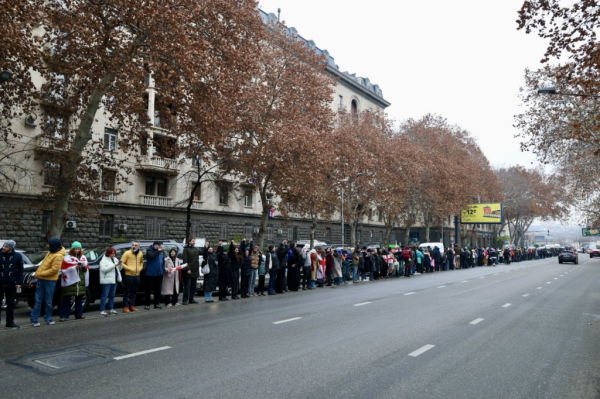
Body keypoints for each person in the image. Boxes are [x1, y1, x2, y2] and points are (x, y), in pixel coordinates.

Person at [31, 238, 65, 327]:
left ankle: (48, 318)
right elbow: (43, 265)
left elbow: (54, 270)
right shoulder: (50, 252)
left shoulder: (58, 256)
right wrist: (39, 273)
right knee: (38, 300)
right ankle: (34, 319)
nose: (47, 245)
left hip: (50, 281)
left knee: (48, 300)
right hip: (41, 279)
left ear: (53, 245)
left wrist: (40, 273)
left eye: (48, 244)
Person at [59, 242, 89, 322]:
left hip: (80, 282)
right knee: (67, 299)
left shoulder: (83, 257)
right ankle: (64, 315)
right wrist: (74, 267)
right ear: (72, 249)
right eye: (75, 249)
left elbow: (85, 270)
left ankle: (78, 314)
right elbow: (64, 269)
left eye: (78, 249)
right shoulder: (67, 258)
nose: (77, 250)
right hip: (70, 282)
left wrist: (82, 266)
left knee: (79, 299)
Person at [0, 240, 23, 328]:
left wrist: (19, 282)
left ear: (11, 248)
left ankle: (10, 322)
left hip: (11, 282)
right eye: (3, 246)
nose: (3, 247)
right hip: (0, 281)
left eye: (6, 246)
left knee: (10, 303)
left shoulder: (17, 256)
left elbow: (20, 270)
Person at [121, 241, 143, 313]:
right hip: (128, 275)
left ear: (138, 246)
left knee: (134, 291)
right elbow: (121, 263)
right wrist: (129, 269)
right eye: (133, 245)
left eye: (135, 245)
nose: (134, 246)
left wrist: (140, 269)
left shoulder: (140, 253)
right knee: (127, 291)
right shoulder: (127, 253)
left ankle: (131, 305)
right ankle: (125, 306)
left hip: (137, 275)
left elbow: (141, 263)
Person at [99, 247, 121, 317]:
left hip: (114, 279)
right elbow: (104, 269)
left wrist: (120, 264)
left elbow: (119, 269)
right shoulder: (103, 260)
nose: (113, 255)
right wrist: (114, 265)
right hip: (106, 280)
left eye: (114, 254)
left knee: (112, 295)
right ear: (108, 253)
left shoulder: (115, 259)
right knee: (104, 295)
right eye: (112, 254)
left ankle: (111, 309)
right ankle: (102, 310)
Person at [144, 241, 164, 310]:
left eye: (160, 245)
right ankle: (147, 305)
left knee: (157, 290)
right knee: (148, 290)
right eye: (159, 245)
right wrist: (158, 251)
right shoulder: (149, 250)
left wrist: (162, 269)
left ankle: (156, 304)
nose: (160, 246)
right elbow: (151, 256)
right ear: (155, 245)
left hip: (158, 273)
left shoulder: (161, 251)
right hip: (150, 273)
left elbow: (162, 261)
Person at [182, 238, 200, 305]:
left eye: (194, 241)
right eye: (193, 241)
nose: (194, 242)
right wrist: (188, 269)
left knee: (193, 286)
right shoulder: (186, 249)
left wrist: (206, 247)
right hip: (188, 271)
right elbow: (185, 260)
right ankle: (185, 300)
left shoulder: (196, 249)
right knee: (187, 287)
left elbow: (202, 252)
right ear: (189, 242)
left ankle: (191, 299)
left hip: (195, 271)